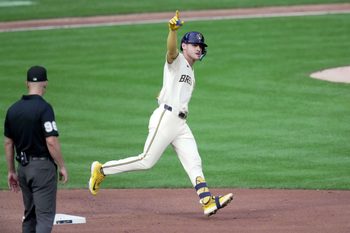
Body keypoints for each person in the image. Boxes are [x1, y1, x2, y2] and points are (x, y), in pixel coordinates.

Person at [88, 11, 232, 216]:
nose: (199, 48)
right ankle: (102, 170)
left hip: (180, 124)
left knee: (194, 161)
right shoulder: (178, 60)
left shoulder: (191, 71)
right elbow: (170, 50)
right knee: (146, 160)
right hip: (166, 118)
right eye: (195, 45)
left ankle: (207, 201)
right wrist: (172, 31)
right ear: (185, 46)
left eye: (201, 46)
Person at [4, 65, 68, 233]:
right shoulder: (44, 108)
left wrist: (11, 171)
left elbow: (8, 143)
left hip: (23, 169)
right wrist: (61, 166)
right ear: (45, 83)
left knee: (30, 216)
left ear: (26, 83)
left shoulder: (13, 110)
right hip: (42, 170)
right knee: (45, 218)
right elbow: (51, 141)